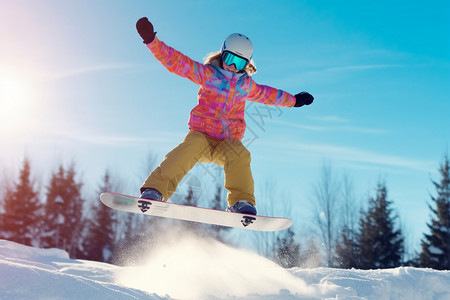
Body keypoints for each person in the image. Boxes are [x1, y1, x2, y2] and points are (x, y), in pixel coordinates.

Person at [136, 17, 314, 215]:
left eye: (239, 62)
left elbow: (269, 95)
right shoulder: (207, 74)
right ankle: (156, 189)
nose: (232, 66)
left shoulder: (246, 86)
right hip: (201, 136)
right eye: (230, 59)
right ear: (222, 54)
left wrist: (294, 100)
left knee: (240, 155)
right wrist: (152, 41)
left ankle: (241, 202)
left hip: (227, 143)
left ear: (246, 64)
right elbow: (178, 63)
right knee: (188, 148)